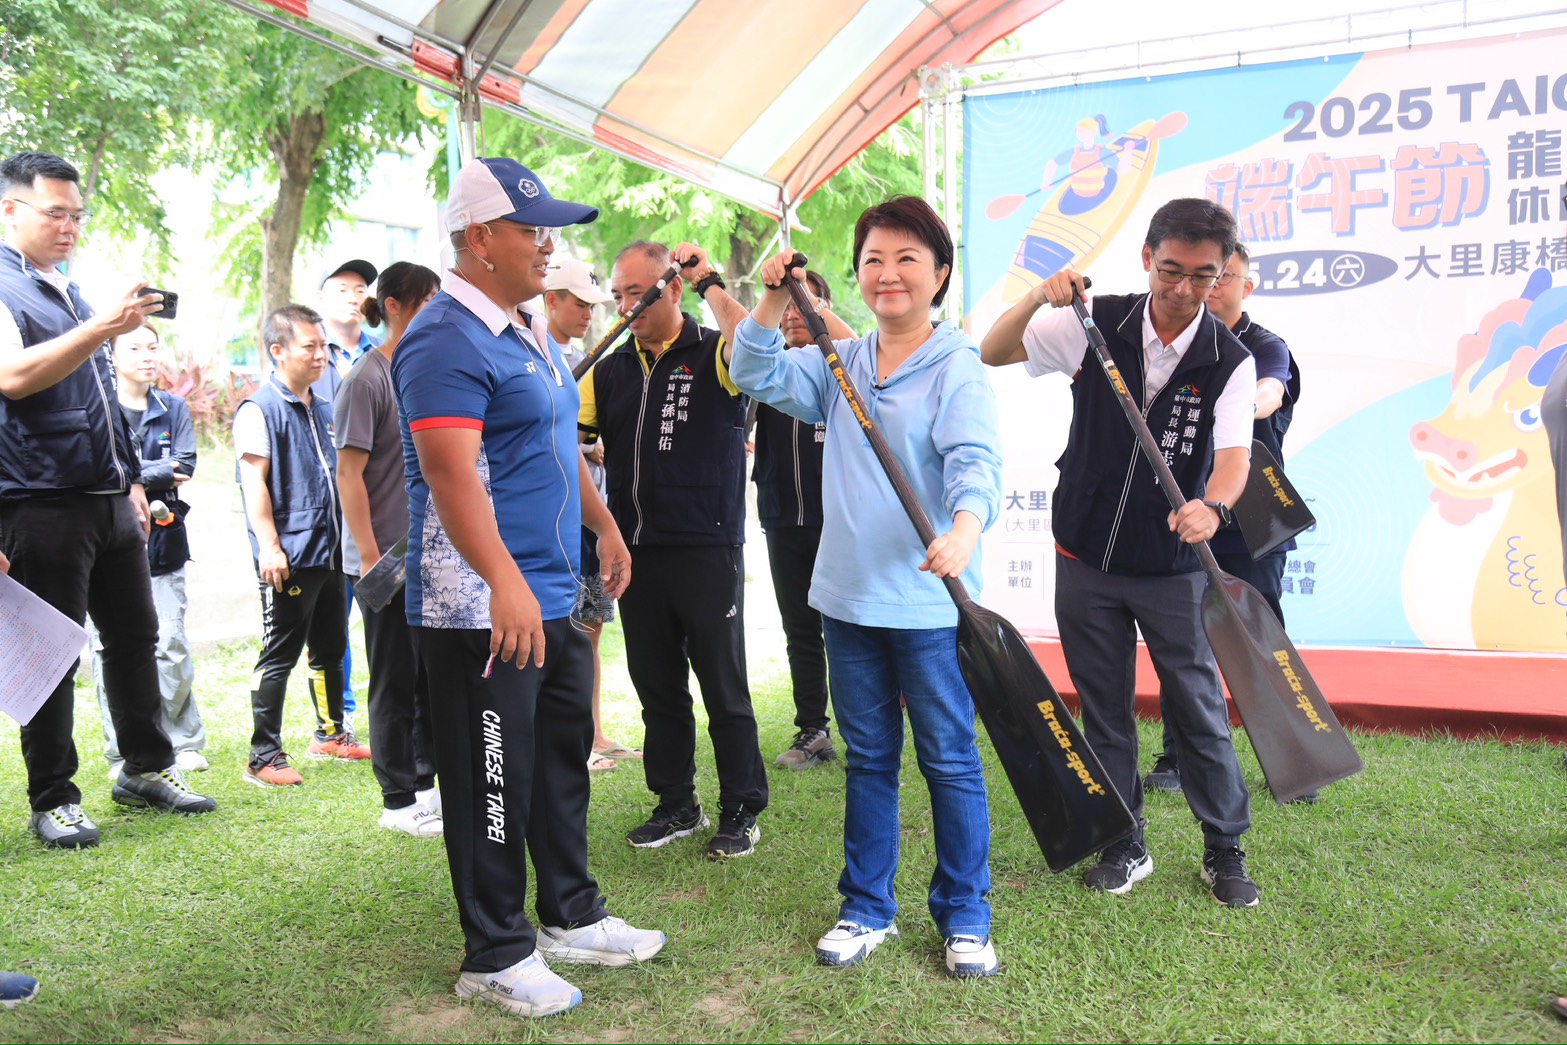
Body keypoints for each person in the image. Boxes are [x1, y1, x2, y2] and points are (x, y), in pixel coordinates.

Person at [393, 156, 662, 1019]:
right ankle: (496, 951)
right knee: (492, 776)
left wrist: (603, 523)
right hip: (477, 603)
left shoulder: (526, 328)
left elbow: (552, 440)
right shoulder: (442, 338)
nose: (548, 247)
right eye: (531, 230)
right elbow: (450, 475)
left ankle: (570, 913)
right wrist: (502, 580)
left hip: (547, 590)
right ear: (480, 238)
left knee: (557, 760)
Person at [731, 196, 1004, 978]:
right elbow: (751, 369)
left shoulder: (955, 365)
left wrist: (964, 529)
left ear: (939, 274)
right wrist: (773, 296)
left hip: (928, 601)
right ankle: (866, 906)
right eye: (873, 260)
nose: (888, 273)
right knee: (869, 759)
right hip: (847, 599)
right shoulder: (838, 363)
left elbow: (975, 464)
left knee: (949, 759)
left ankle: (966, 914)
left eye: (906, 258)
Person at [980, 197, 1262, 908]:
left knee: (1196, 706)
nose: (1184, 288)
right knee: (1103, 708)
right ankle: (1123, 839)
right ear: (1146, 259)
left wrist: (1213, 506)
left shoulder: (1229, 359)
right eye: (1171, 270)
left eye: (1203, 275)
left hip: (1171, 569)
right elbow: (994, 350)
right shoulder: (1093, 323)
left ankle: (1223, 845)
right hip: (1085, 557)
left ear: (1223, 272)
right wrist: (1034, 297)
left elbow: (1234, 457)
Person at [0, 151, 216, 849]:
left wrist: (131, 483)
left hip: (109, 500)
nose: (69, 226)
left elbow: (99, 400)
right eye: (54, 212)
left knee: (134, 638)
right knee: (54, 655)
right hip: (40, 501)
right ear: (10, 209)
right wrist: (102, 328)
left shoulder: (70, 291)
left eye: (76, 214)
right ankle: (54, 798)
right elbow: (12, 377)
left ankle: (146, 768)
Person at [579, 239, 768, 859]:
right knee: (657, 688)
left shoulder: (715, 349)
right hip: (635, 551)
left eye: (637, 293)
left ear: (673, 289)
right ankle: (676, 803)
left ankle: (741, 809)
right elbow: (569, 438)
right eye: (618, 295)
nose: (625, 307)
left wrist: (710, 280)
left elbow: (756, 346)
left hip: (708, 548)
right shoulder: (608, 369)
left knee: (724, 687)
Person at [1145, 242, 1302, 797]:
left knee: (1264, 641)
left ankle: (1295, 757)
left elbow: (1269, 393)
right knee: (1184, 642)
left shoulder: (1264, 346)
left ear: (1246, 286)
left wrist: (1234, 405)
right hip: (1190, 514)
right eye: (1203, 277)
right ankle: (1176, 758)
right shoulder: (1177, 345)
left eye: (1222, 277)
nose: (1209, 288)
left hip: (1253, 520)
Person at [236, 305, 370, 788]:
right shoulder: (259, 409)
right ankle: (263, 756)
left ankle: (331, 734)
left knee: (331, 647)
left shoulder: (324, 407)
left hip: (331, 551)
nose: (320, 355)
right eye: (309, 346)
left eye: (322, 346)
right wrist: (270, 547)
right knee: (279, 654)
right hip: (291, 556)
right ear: (278, 351)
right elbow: (254, 483)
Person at [335, 261, 442, 834]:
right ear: (394, 307)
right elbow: (348, 475)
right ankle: (397, 800)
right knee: (393, 677)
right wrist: (372, 556)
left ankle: (424, 785)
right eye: (426, 303)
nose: (435, 314)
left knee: (426, 676)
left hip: (425, 553)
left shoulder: (422, 371)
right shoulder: (366, 378)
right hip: (384, 560)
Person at [92, 322, 207, 779]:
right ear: (111, 355)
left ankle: (183, 740)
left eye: (153, 347)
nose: (147, 355)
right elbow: (104, 468)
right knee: (110, 647)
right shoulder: (99, 406)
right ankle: (121, 749)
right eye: (135, 347)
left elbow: (186, 464)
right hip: (112, 544)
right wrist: (151, 472)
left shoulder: (171, 406)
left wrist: (134, 473)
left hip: (165, 542)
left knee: (171, 642)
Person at [542, 257, 639, 771]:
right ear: (550, 300)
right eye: (578, 304)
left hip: (593, 524)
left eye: (592, 305)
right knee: (566, 632)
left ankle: (594, 733)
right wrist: (585, 447)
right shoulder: (532, 355)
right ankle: (573, 742)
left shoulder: (589, 361)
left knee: (592, 626)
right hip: (557, 525)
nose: (588, 314)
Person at [754, 270, 839, 770]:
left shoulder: (845, 368)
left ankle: (867, 732)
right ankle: (813, 730)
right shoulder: (768, 371)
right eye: (784, 305)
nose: (792, 314)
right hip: (782, 516)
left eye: (803, 303)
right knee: (800, 628)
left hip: (841, 521)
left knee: (849, 626)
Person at [314, 258, 380, 732]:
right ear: (321, 298)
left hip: (379, 502)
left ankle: (390, 707)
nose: (353, 297)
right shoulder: (309, 354)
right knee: (332, 623)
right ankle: (340, 717)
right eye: (341, 288)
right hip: (325, 510)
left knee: (382, 612)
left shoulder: (383, 353)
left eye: (360, 288)